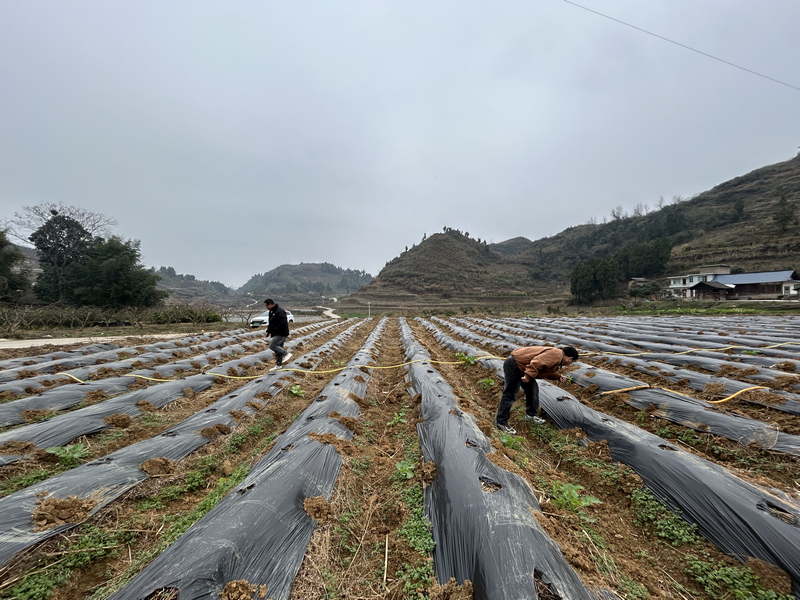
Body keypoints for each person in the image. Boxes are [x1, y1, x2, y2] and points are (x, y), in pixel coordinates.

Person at [495, 345, 579, 434]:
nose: (570, 363)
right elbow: (537, 363)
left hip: (523, 367)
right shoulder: (557, 355)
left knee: (532, 389)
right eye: (571, 361)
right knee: (510, 393)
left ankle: (531, 415)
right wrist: (528, 376)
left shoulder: (557, 356)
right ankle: (501, 422)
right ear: (570, 359)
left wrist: (558, 377)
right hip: (514, 365)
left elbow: (545, 370)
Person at [264, 298, 292, 368]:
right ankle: (278, 365)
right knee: (278, 349)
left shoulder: (279, 311)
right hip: (276, 333)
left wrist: (275, 330)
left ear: (270, 304)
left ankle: (286, 354)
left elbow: (283, 324)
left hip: (281, 333)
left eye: (266, 306)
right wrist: (268, 331)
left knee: (272, 346)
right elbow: (271, 323)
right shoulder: (272, 312)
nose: (266, 307)